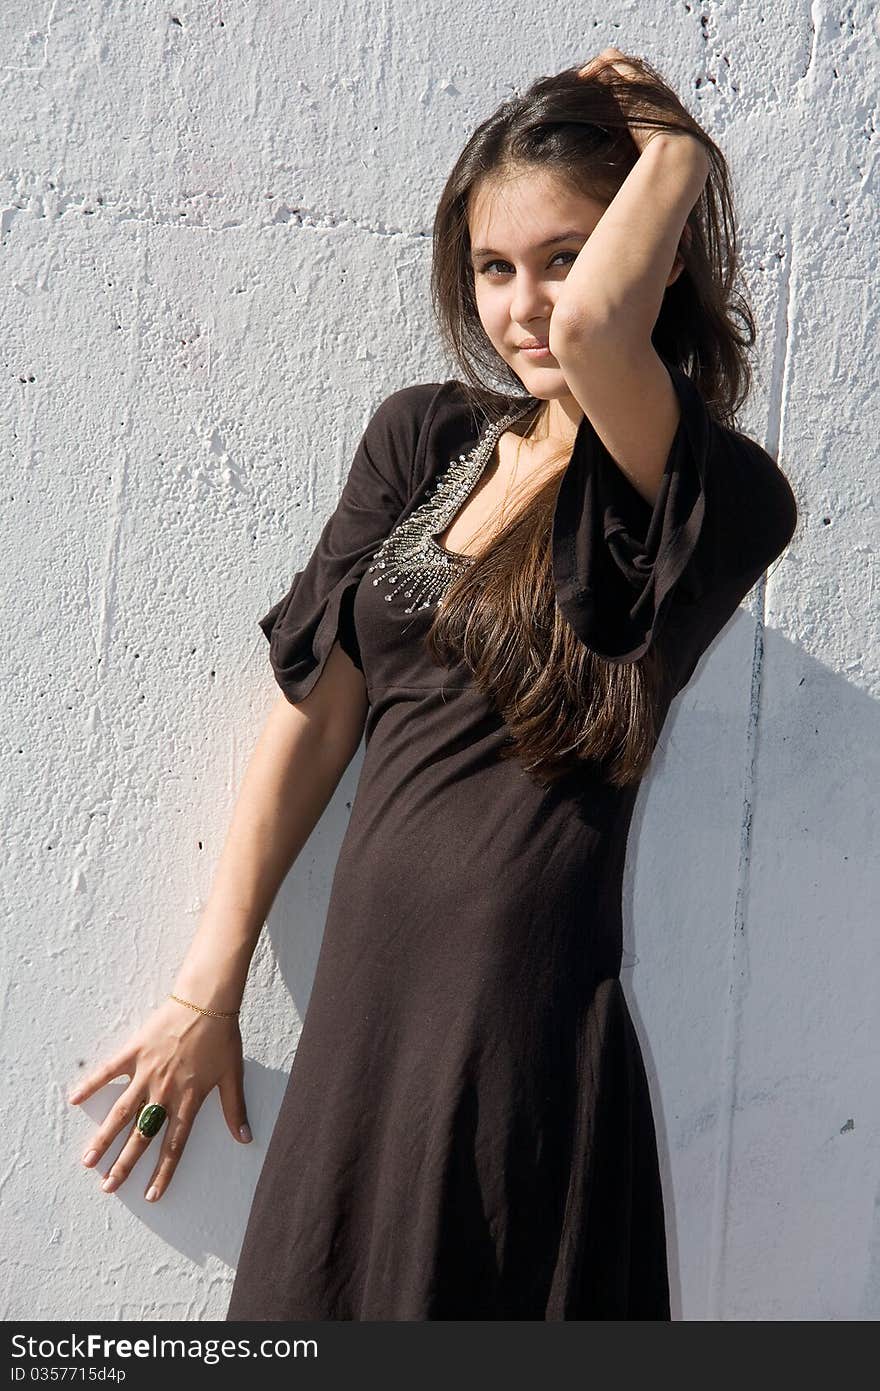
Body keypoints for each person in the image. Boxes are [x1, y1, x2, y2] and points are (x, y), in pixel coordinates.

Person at [68, 51, 798, 1320]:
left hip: (518, 1025)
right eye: (493, 266)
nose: (526, 309)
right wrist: (209, 979)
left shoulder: (714, 501)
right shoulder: (426, 440)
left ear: (655, 251)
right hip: (366, 1014)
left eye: (566, 255)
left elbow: (591, 338)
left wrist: (677, 144)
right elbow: (313, 718)